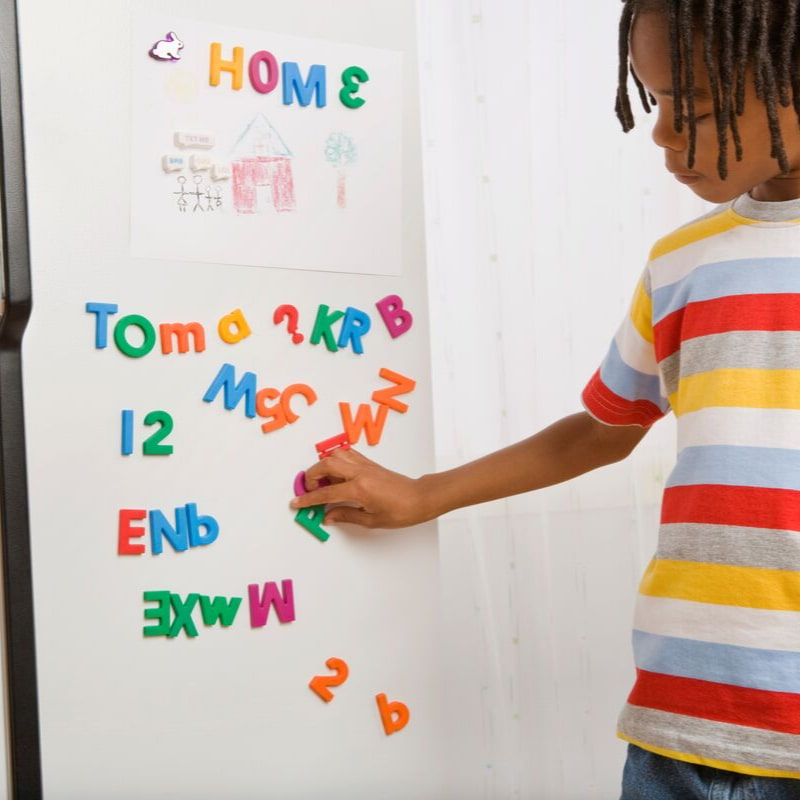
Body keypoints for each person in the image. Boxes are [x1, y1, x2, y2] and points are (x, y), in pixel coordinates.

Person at [292, 1, 800, 797]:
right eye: (655, 100)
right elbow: (598, 431)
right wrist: (425, 494)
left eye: (689, 108)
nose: (662, 134)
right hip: (681, 726)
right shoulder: (683, 264)